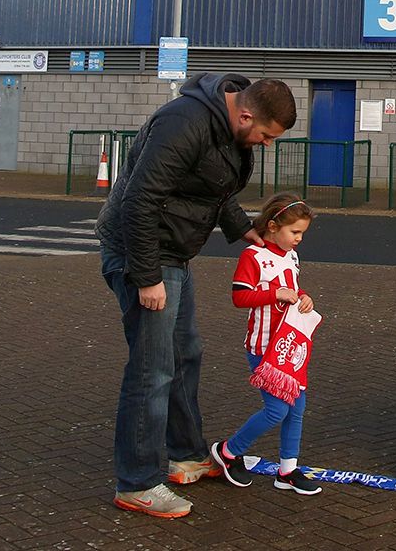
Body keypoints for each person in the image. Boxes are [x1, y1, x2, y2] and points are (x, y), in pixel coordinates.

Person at [95, 74, 295, 519]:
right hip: (141, 252)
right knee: (152, 369)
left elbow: (212, 188)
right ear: (245, 115)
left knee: (186, 353)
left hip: (173, 252)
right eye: (264, 135)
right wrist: (146, 278)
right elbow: (139, 200)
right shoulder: (182, 123)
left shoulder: (225, 129)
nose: (265, 144)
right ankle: (137, 483)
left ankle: (186, 455)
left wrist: (243, 229)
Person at [209, 194, 322, 496]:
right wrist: (276, 295)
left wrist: (303, 296)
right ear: (273, 226)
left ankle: (287, 471)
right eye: (294, 232)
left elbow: (293, 289)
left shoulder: (291, 256)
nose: (298, 239)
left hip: (289, 345)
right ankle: (229, 451)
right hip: (263, 347)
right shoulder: (253, 256)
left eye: (302, 234)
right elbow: (239, 297)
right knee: (276, 411)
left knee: (296, 408)